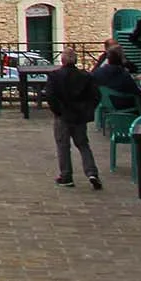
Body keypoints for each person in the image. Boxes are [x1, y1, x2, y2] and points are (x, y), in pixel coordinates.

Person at [44, 50, 102, 189]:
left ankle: (66, 175)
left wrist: (57, 111)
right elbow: (96, 96)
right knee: (83, 144)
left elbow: (50, 95)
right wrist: (87, 110)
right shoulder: (85, 76)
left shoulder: (55, 76)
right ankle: (92, 172)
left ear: (62, 61)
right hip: (79, 115)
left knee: (63, 146)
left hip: (63, 114)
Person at [90, 46, 141, 112]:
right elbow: (137, 93)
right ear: (122, 58)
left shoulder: (97, 72)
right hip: (124, 107)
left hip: (105, 106)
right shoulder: (123, 74)